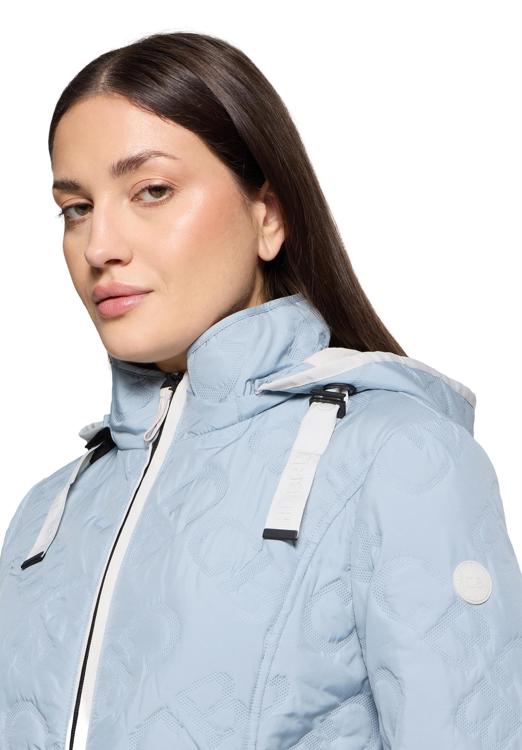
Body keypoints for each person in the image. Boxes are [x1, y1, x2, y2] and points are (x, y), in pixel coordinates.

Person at [0, 30, 521, 750]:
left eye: (152, 191)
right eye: (76, 208)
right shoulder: (49, 515)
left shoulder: (396, 458)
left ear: (268, 215)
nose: (99, 248)